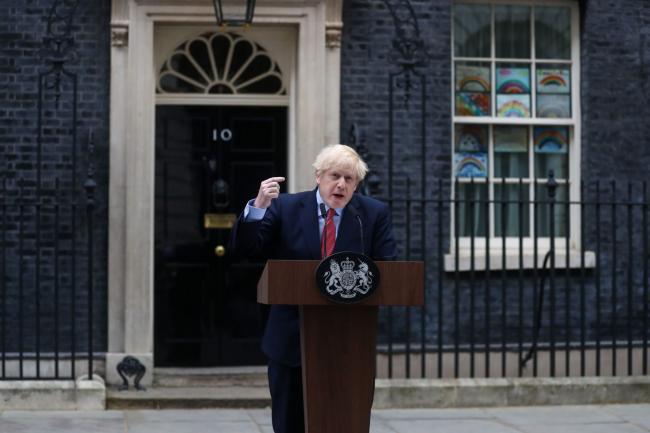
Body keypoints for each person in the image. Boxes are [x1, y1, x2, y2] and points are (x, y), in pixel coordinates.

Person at [230, 144, 397, 433]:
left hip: (348, 340)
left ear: (357, 184)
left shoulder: (372, 214)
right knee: (289, 422)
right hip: (290, 338)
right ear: (319, 176)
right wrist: (257, 208)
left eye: (349, 179)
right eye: (335, 176)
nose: (341, 185)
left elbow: (389, 270)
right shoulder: (286, 207)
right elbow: (246, 250)